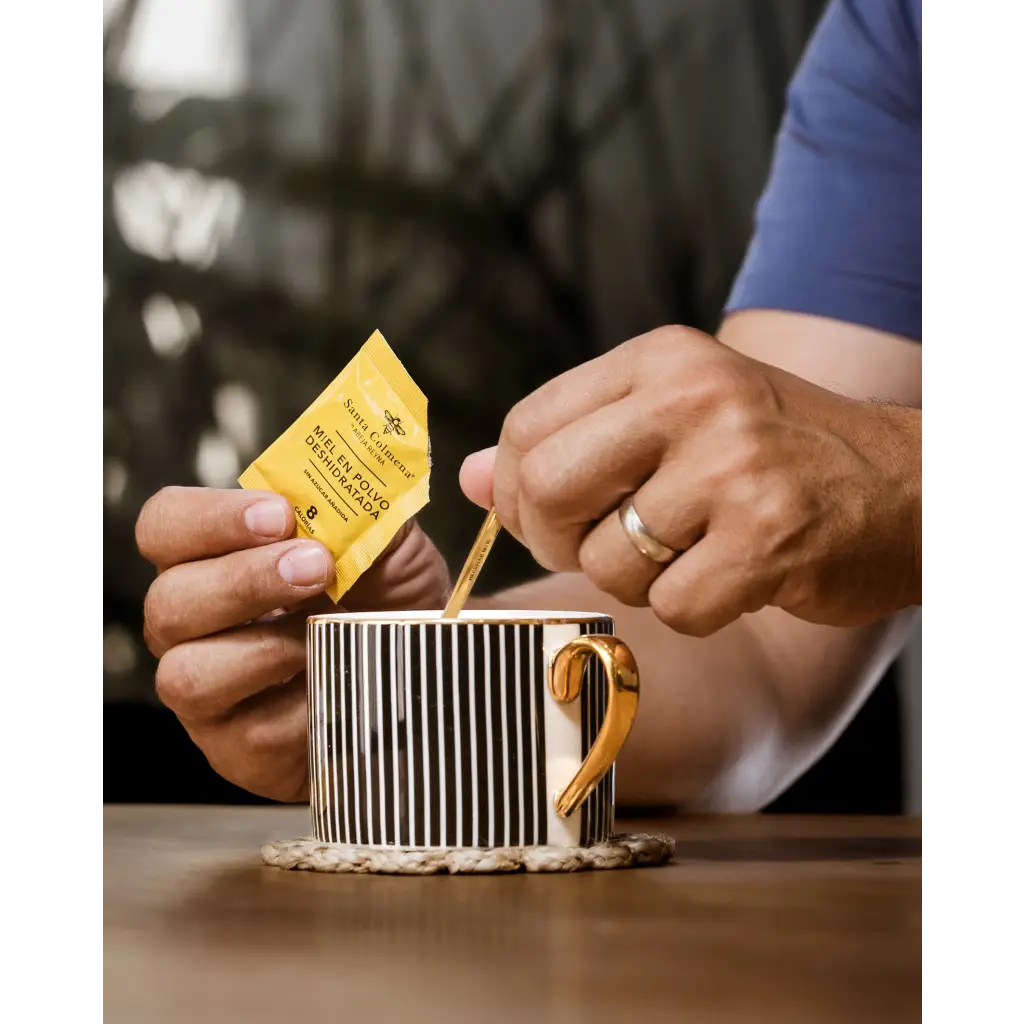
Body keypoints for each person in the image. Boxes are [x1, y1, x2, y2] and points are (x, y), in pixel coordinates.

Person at [134, 0, 924, 811]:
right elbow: (762, 643)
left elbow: (850, 497)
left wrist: (908, 485)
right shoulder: (887, 31)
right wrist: (428, 692)